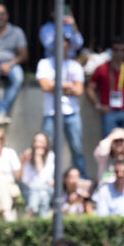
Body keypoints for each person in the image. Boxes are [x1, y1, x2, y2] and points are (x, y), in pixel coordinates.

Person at [38, 34, 87, 176]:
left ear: (69, 47)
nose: (62, 48)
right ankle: (47, 177)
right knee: (46, 147)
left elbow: (78, 90)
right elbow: (44, 86)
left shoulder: (75, 66)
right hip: (51, 112)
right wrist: (66, 86)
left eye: (65, 45)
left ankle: (80, 177)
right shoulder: (45, 63)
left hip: (71, 112)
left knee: (76, 147)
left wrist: (55, 86)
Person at [87, 36, 124, 137]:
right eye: (116, 50)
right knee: (108, 143)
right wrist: (98, 106)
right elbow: (90, 89)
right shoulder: (101, 69)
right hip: (109, 111)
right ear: (111, 51)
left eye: (123, 50)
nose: (119, 53)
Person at [19, 132, 55, 218]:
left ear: (46, 144)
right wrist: (22, 161)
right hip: (28, 190)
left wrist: (38, 158)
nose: (38, 145)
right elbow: (22, 178)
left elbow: (42, 178)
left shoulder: (51, 156)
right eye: (36, 141)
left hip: (45, 189)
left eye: (41, 142)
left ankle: (30, 213)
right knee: (41, 194)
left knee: (41, 192)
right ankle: (42, 220)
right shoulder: (27, 156)